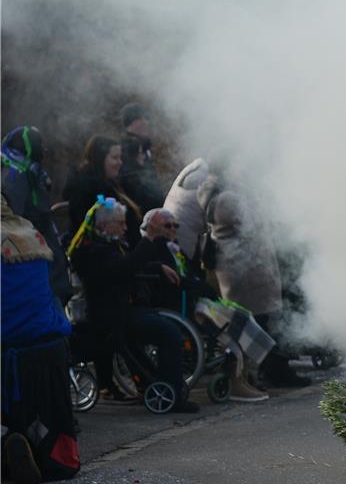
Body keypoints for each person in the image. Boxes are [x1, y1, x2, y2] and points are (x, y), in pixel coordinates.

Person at [67, 196, 199, 413]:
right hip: (110, 316)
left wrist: (157, 267)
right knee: (170, 333)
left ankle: (166, 386)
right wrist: (149, 237)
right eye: (121, 223)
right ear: (103, 225)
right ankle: (172, 395)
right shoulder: (90, 251)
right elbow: (124, 268)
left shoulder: (108, 245)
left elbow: (129, 265)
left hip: (123, 310)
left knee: (167, 328)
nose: (125, 228)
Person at [139, 208, 271, 402]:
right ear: (152, 228)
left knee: (242, 315)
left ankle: (239, 373)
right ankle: (234, 379)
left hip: (190, 298)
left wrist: (200, 286)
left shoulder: (172, 247)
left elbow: (190, 274)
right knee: (233, 321)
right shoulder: (154, 248)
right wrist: (198, 286)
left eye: (176, 225)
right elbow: (174, 281)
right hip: (176, 304)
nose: (173, 229)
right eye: (167, 226)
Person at [196, 165, 308, 388]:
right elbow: (254, 222)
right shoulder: (227, 198)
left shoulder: (220, 192)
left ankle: (268, 370)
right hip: (248, 271)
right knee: (264, 322)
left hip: (246, 269)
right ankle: (273, 371)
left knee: (262, 321)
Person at [1, 196, 79, 484]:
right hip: (52, 345)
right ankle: (42, 454)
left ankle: (8, 441)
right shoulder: (30, 232)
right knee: (46, 430)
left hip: (11, 348)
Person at [1, 126, 71, 305]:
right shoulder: (15, 177)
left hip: (44, 258)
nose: (45, 149)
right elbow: (14, 223)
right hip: (34, 263)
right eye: (40, 143)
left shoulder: (30, 174)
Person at [61, 135, 142, 244]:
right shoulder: (85, 188)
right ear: (100, 159)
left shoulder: (112, 183)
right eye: (115, 158)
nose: (120, 162)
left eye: (120, 157)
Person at [118, 103, 165, 213]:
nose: (146, 123)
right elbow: (132, 187)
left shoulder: (144, 149)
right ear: (129, 123)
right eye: (139, 119)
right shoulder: (123, 151)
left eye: (146, 118)